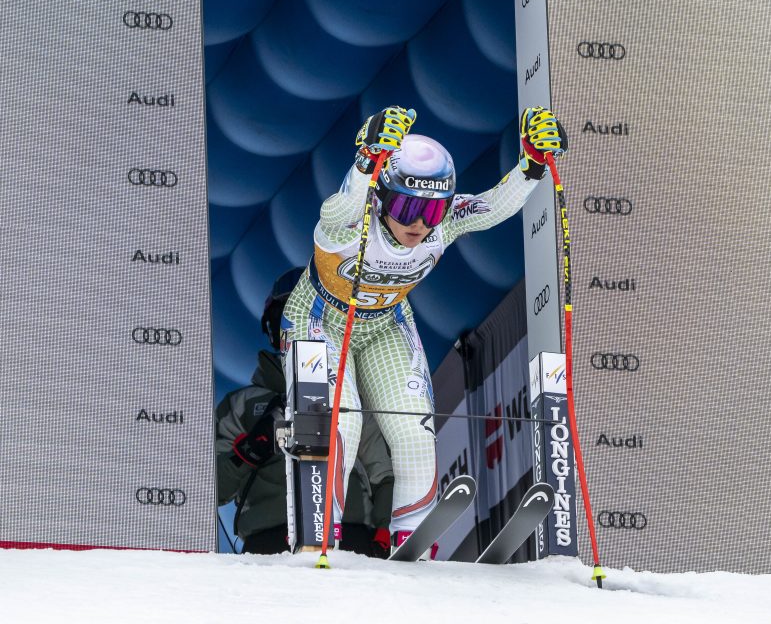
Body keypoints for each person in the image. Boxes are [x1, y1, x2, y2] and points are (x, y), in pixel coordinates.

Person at [280, 105, 567, 547]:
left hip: (386, 325)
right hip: (320, 320)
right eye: (407, 206)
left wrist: (531, 166)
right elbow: (342, 206)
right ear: (381, 198)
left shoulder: (442, 225)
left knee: (415, 433)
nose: (419, 223)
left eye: (431, 211)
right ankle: (316, 540)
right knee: (340, 425)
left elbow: (492, 205)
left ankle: (412, 544)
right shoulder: (350, 220)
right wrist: (366, 161)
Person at [216, 266, 394, 556]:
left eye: (315, 320)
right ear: (274, 331)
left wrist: (385, 530)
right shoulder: (241, 405)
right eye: (289, 319)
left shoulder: (352, 398)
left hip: (351, 536)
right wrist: (250, 450)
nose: (302, 329)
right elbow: (213, 491)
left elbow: (382, 473)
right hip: (270, 542)